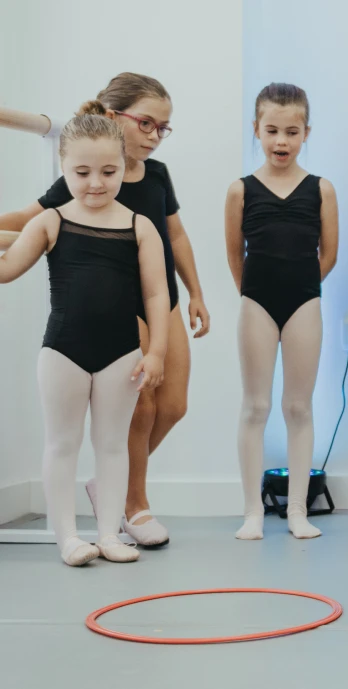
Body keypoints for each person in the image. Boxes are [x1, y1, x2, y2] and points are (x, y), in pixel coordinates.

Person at [0, 73, 210, 547]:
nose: (155, 135)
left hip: (161, 296)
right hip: (118, 302)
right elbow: (26, 222)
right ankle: (133, 505)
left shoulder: (156, 176)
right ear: (114, 118)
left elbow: (175, 235)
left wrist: (195, 291)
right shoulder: (85, 177)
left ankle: (108, 488)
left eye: (164, 127)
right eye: (147, 123)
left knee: (173, 405)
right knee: (140, 407)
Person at [225, 83, 339, 540]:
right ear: (256, 129)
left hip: (304, 303)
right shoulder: (240, 190)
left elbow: (327, 254)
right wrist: (253, 294)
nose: (281, 141)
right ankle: (253, 511)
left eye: (291, 132)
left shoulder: (321, 189)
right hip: (257, 302)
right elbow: (236, 255)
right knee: (255, 405)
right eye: (271, 130)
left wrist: (303, 289)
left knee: (299, 407)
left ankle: (297, 511)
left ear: (306, 132)